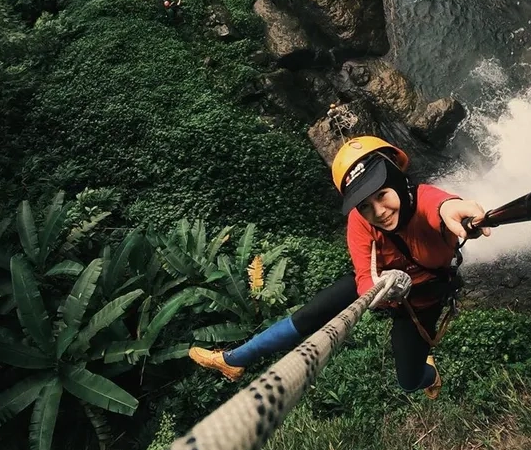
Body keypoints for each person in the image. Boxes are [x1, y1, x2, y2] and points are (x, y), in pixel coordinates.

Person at [188, 136, 490, 397]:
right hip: (381, 287)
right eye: (365, 205)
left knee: (409, 381)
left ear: (397, 180)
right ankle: (234, 359)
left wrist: (457, 211)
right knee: (309, 316)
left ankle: (430, 374)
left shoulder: (424, 199)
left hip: (423, 301)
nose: (379, 212)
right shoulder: (361, 222)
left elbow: (440, 205)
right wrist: (379, 289)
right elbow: (362, 279)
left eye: (382, 195)